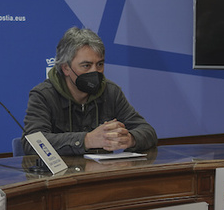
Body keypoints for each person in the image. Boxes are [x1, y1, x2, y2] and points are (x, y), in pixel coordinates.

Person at [22, 27, 157, 156]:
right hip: (61, 176)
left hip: (101, 174)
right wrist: (87, 140)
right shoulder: (43, 95)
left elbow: (148, 131)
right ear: (66, 68)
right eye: (86, 65)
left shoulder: (111, 92)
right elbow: (32, 143)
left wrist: (130, 139)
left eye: (99, 64)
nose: (95, 72)